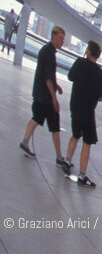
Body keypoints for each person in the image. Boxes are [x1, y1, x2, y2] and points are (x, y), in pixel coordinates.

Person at [19, 26, 69, 171]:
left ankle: (25, 142)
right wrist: (54, 99)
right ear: (53, 35)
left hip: (40, 94)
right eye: (60, 38)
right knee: (54, 127)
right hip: (46, 97)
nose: (62, 41)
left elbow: (46, 75)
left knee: (36, 119)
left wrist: (56, 85)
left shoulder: (46, 51)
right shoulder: (49, 53)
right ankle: (59, 158)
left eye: (63, 39)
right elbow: (48, 78)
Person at [63, 40, 102, 187]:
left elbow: (70, 77)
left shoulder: (79, 63)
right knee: (87, 143)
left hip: (75, 106)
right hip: (88, 112)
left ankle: (67, 160)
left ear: (88, 51)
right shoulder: (100, 74)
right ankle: (82, 175)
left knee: (75, 135)